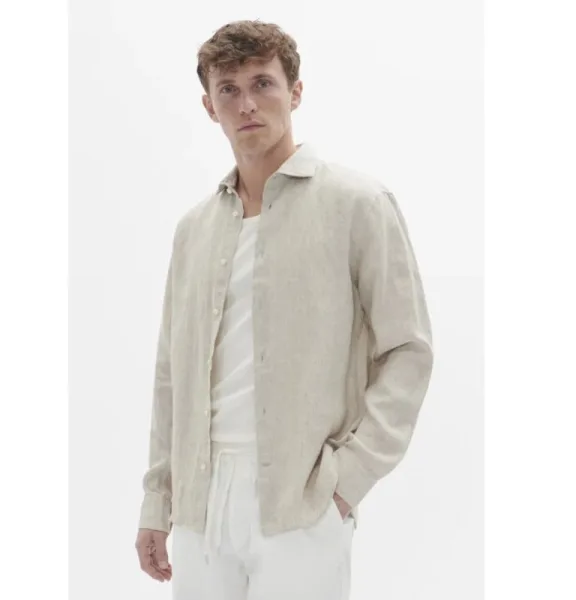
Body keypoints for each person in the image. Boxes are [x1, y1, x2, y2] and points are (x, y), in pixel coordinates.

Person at [134, 19, 434, 600]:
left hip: (302, 501)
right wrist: (157, 500)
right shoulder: (193, 230)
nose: (246, 104)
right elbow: (172, 374)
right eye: (228, 89)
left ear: (295, 92)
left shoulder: (357, 204)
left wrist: (346, 481)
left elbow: (408, 350)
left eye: (262, 84)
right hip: (199, 505)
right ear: (209, 106)